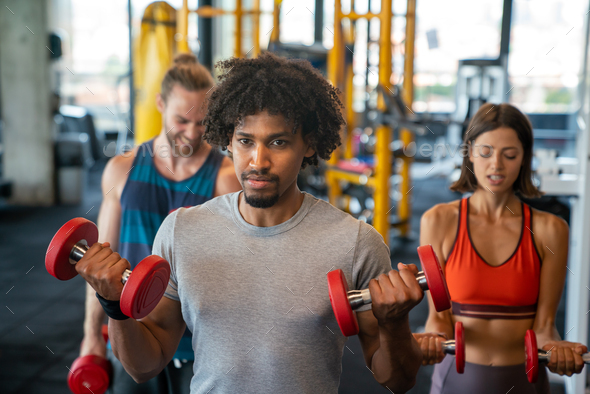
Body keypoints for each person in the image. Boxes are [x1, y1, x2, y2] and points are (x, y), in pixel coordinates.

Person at [76, 52, 425, 393]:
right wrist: (115, 308)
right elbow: (143, 367)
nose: (259, 161)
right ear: (228, 140)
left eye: (278, 142)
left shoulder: (356, 243)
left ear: (308, 145)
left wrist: (395, 323)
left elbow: (397, 380)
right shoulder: (180, 231)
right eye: (246, 141)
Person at [79, 53, 241, 394]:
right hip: (131, 336)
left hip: (202, 348)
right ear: (160, 104)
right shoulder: (122, 171)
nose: (193, 133)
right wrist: (92, 336)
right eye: (182, 120)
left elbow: (237, 278)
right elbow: (100, 265)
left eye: (202, 122)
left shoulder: (226, 179)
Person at [417, 103, 587, 393]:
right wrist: (429, 340)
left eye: (509, 155)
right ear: (470, 153)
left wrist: (558, 351)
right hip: (455, 381)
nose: (496, 165)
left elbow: (545, 326)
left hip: (526, 382)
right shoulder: (438, 222)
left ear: (523, 159)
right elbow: (438, 320)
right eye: (485, 153)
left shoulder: (551, 230)